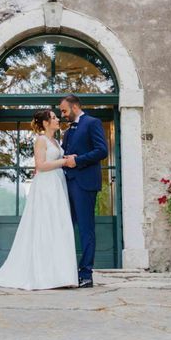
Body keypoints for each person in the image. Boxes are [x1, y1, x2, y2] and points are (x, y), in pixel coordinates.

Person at [0, 109, 78, 290]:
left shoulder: (55, 141)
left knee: (58, 226)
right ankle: (44, 275)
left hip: (57, 184)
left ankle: (60, 274)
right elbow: (41, 166)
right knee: (45, 225)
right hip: (46, 185)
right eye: (53, 118)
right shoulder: (41, 140)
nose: (57, 119)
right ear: (45, 123)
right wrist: (64, 162)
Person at [59, 94, 108, 288]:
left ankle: (86, 273)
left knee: (86, 230)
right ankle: (67, 271)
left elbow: (102, 150)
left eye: (64, 110)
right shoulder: (68, 130)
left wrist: (77, 160)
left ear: (75, 106)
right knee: (65, 227)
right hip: (67, 183)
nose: (62, 114)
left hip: (85, 184)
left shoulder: (92, 123)